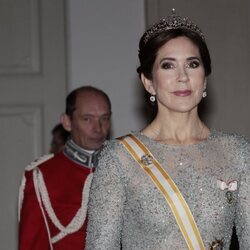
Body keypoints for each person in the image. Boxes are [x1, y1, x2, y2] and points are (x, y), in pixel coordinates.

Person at [85, 10, 250, 250]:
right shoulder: (120, 158)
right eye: (168, 65)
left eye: (192, 64)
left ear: (204, 79)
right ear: (149, 82)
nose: (182, 77)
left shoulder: (237, 152)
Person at [18, 86, 112, 250]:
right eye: (87, 119)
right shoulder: (43, 176)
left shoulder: (127, 169)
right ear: (67, 122)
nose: (98, 129)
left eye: (104, 119)